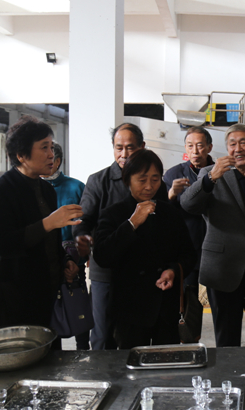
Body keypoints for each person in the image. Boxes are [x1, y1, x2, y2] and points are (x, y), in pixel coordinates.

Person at [0, 116, 81, 341]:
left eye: (51, 147)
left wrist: (65, 261)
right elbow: (2, 243)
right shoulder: (0, 192)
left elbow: (49, 242)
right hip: (15, 302)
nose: (51, 154)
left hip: (46, 295)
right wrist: (49, 222)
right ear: (21, 155)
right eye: (44, 148)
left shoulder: (46, 190)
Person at [180, 123, 245, 347]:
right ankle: (228, 371)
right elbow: (188, 204)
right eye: (232, 144)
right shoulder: (210, 174)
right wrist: (211, 178)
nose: (238, 149)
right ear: (226, 148)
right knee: (226, 337)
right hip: (223, 268)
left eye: (243, 143)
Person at [73, 123, 167, 350]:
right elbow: (84, 219)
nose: (124, 154)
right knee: (103, 334)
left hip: (142, 272)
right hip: (106, 270)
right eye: (119, 147)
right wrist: (82, 237)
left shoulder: (156, 184)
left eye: (130, 147)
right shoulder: (98, 181)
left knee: (135, 334)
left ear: (142, 147)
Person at [93, 150, 196, 348]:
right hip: (129, 309)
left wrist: (173, 270)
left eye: (155, 179)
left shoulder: (170, 213)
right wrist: (131, 223)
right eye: (142, 180)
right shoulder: (113, 214)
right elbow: (102, 256)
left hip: (165, 307)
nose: (149, 186)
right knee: (130, 361)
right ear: (127, 179)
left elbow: (189, 254)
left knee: (165, 362)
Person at [163, 126, 214, 341]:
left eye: (200, 146)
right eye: (190, 146)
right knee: (189, 303)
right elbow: (161, 212)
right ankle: (190, 343)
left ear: (209, 147)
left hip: (215, 249)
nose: (195, 151)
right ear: (185, 148)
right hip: (188, 248)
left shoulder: (220, 171)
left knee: (219, 301)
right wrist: (171, 194)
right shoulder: (174, 174)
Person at [42, 141, 90, 350]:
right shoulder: (35, 190)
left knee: (77, 303)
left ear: (58, 161)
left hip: (74, 260)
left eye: (50, 156)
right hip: (48, 260)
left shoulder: (76, 186)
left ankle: (83, 347)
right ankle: (55, 351)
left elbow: (87, 221)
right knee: (52, 308)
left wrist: (86, 254)